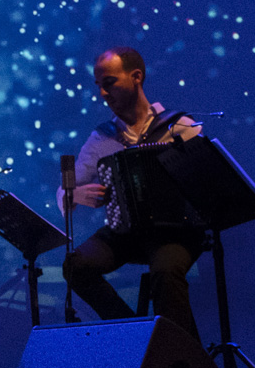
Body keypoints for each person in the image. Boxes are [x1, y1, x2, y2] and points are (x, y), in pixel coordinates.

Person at [59, 47, 205, 339]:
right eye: (98, 85)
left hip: (176, 233)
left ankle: (180, 356)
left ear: (136, 77)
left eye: (109, 82)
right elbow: (64, 189)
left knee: (165, 274)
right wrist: (74, 195)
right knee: (75, 267)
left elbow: (208, 183)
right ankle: (134, 334)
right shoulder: (102, 137)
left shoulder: (181, 128)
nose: (102, 93)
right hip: (126, 233)